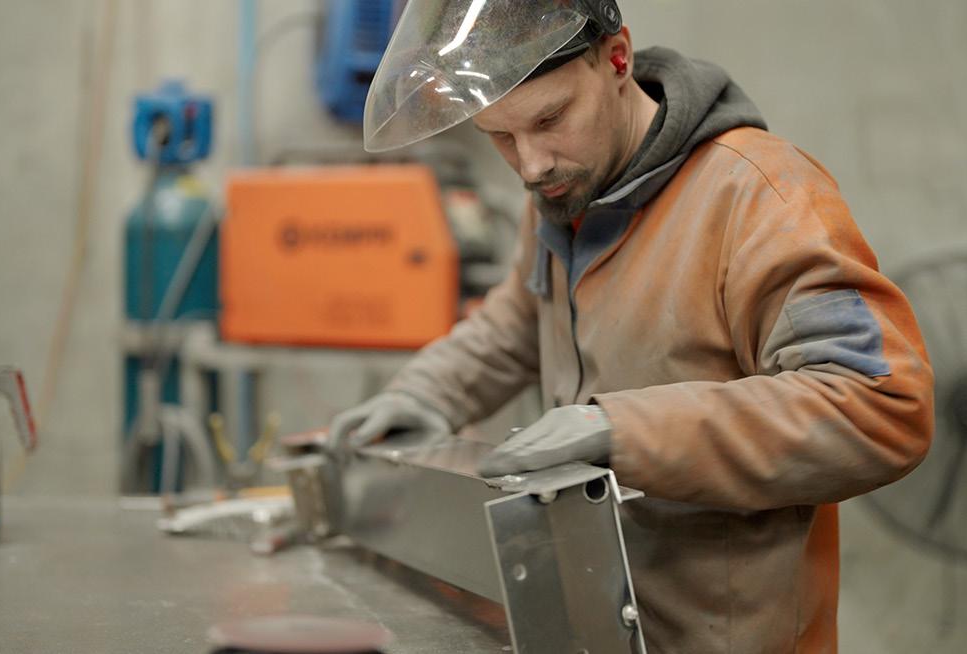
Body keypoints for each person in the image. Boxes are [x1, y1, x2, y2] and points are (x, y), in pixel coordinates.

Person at [329, 1, 934, 651]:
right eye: (500, 137)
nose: (531, 165)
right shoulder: (564, 193)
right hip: (597, 625)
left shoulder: (761, 196)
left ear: (617, 59)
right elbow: (515, 320)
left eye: (549, 119)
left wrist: (617, 431)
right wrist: (422, 394)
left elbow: (880, 405)